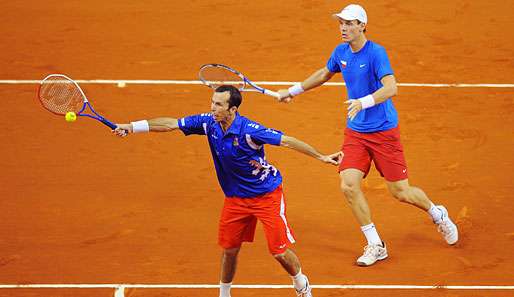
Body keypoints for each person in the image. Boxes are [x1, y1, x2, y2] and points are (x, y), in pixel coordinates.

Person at [113, 85, 342, 297]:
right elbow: (171, 124)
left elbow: (288, 141)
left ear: (232, 109)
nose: (213, 108)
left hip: (266, 195)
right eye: (212, 102)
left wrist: (321, 156)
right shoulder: (208, 123)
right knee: (230, 250)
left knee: (279, 252)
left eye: (219, 105)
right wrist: (132, 127)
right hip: (235, 200)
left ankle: (301, 283)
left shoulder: (250, 131)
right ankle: (224, 293)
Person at [277, 4, 458, 267]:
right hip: (356, 133)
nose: (343, 27)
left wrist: (363, 102)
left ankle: (437, 212)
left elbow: (391, 88)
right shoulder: (340, 52)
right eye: (341, 23)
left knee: (401, 192)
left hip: (384, 131)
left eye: (349, 23)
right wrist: (293, 91)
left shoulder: (376, 53)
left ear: (362, 26)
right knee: (348, 184)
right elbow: (325, 73)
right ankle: (376, 244)